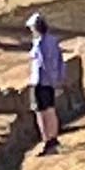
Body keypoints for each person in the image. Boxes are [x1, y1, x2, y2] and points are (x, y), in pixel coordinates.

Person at [29, 12, 66, 156]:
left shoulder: (39, 43)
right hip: (50, 82)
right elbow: (60, 61)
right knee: (51, 109)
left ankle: (46, 140)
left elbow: (42, 64)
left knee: (41, 113)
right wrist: (57, 79)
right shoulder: (53, 41)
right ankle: (54, 138)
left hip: (40, 81)